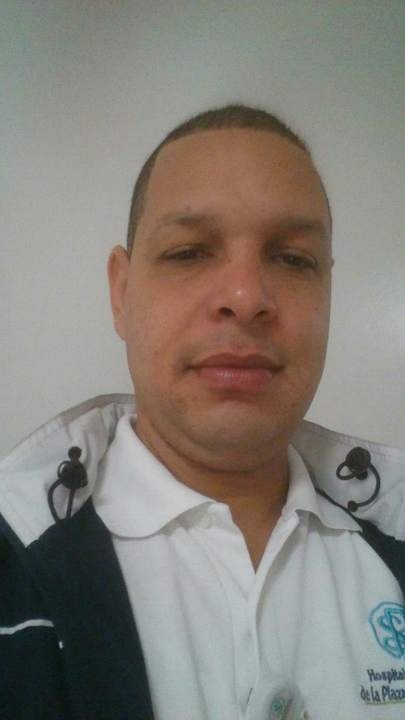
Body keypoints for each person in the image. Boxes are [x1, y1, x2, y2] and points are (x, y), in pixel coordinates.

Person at [1, 104, 404, 720]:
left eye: (293, 259)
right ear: (121, 291)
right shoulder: (15, 567)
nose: (245, 298)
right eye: (189, 252)